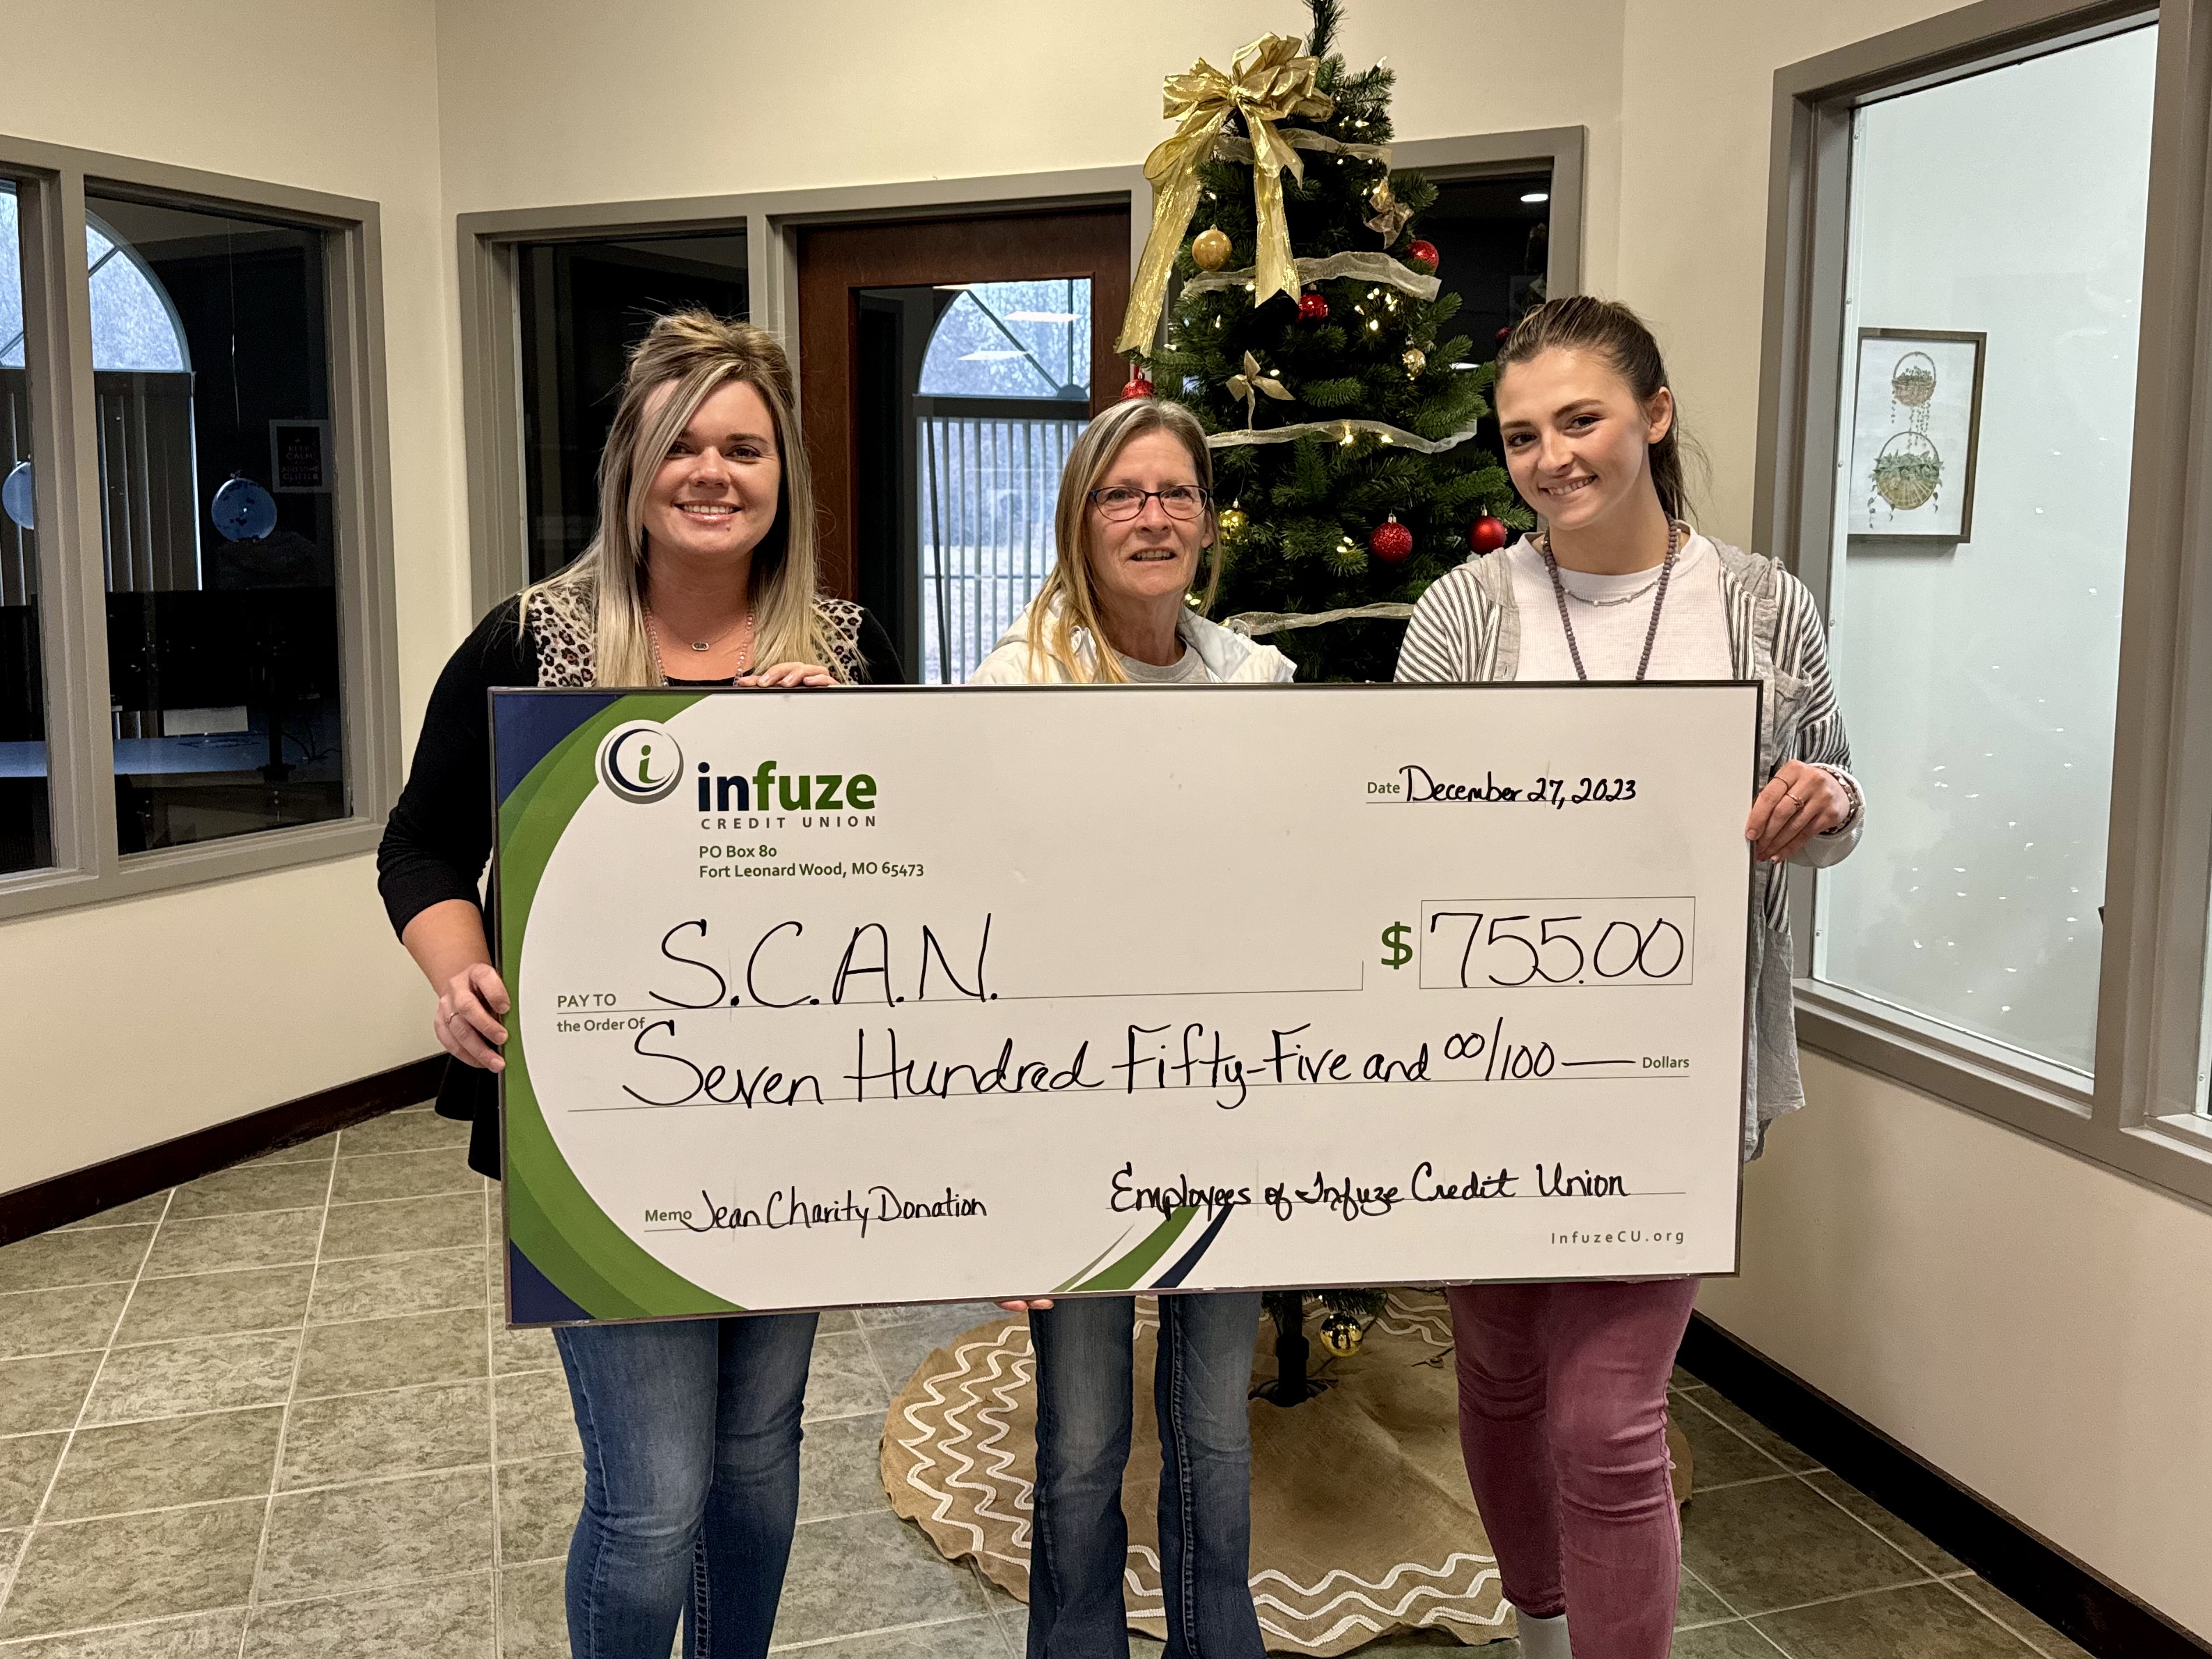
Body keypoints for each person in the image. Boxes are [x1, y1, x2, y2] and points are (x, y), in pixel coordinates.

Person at [376, 311, 902, 1659]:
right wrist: (459, 972)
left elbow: (923, 875)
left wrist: (856, 757)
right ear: (631, 463)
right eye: (683, 442)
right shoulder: (531, 643)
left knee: (756, 1465)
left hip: (796, 1129)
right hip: (594, 1135)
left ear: (782, 474)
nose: (712, 470)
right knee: (656, 1493)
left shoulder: (849, 655)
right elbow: (422, 843)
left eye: (743, 445)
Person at [1394, 295, 1864, 1659]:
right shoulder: (1461, 616)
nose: (1551, 456)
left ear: (1653, 416)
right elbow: (1402, 834)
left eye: (1580, 419)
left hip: (1664, 1081)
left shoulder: (1764, 605)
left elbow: (1839, 794)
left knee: (1606, 1420)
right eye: (1520, 434)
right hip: (1483, 1076)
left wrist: (1822, 804)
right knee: (1495, 1375)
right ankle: (1538, 1633)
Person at [972, 395, 1290, 1658]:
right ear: (1078, 519)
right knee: (1085, 1428)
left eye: (1175, 494)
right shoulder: (1012, 689)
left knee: (1214, 1418)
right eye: (1123, 495)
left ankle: (1222, 1641)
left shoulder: (1260, 682)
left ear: (1206, 520)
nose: (1152, 518)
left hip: (1228, 1104)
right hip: (1071, 1112)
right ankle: (1079, 1643)